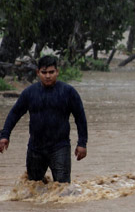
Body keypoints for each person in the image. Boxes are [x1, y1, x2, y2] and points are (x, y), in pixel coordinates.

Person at [0, 55, 88, 183]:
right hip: (35, 148)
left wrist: (82, 144)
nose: (48, 76)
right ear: (38, 73)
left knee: (63, 189)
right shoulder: (30, 93)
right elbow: (14, 114)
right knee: (33, 187)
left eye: (51, 72)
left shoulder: (68, 92)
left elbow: (80, 118)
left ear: (57, 72)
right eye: (44, 72)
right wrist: (4, 135)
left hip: (60, 147)